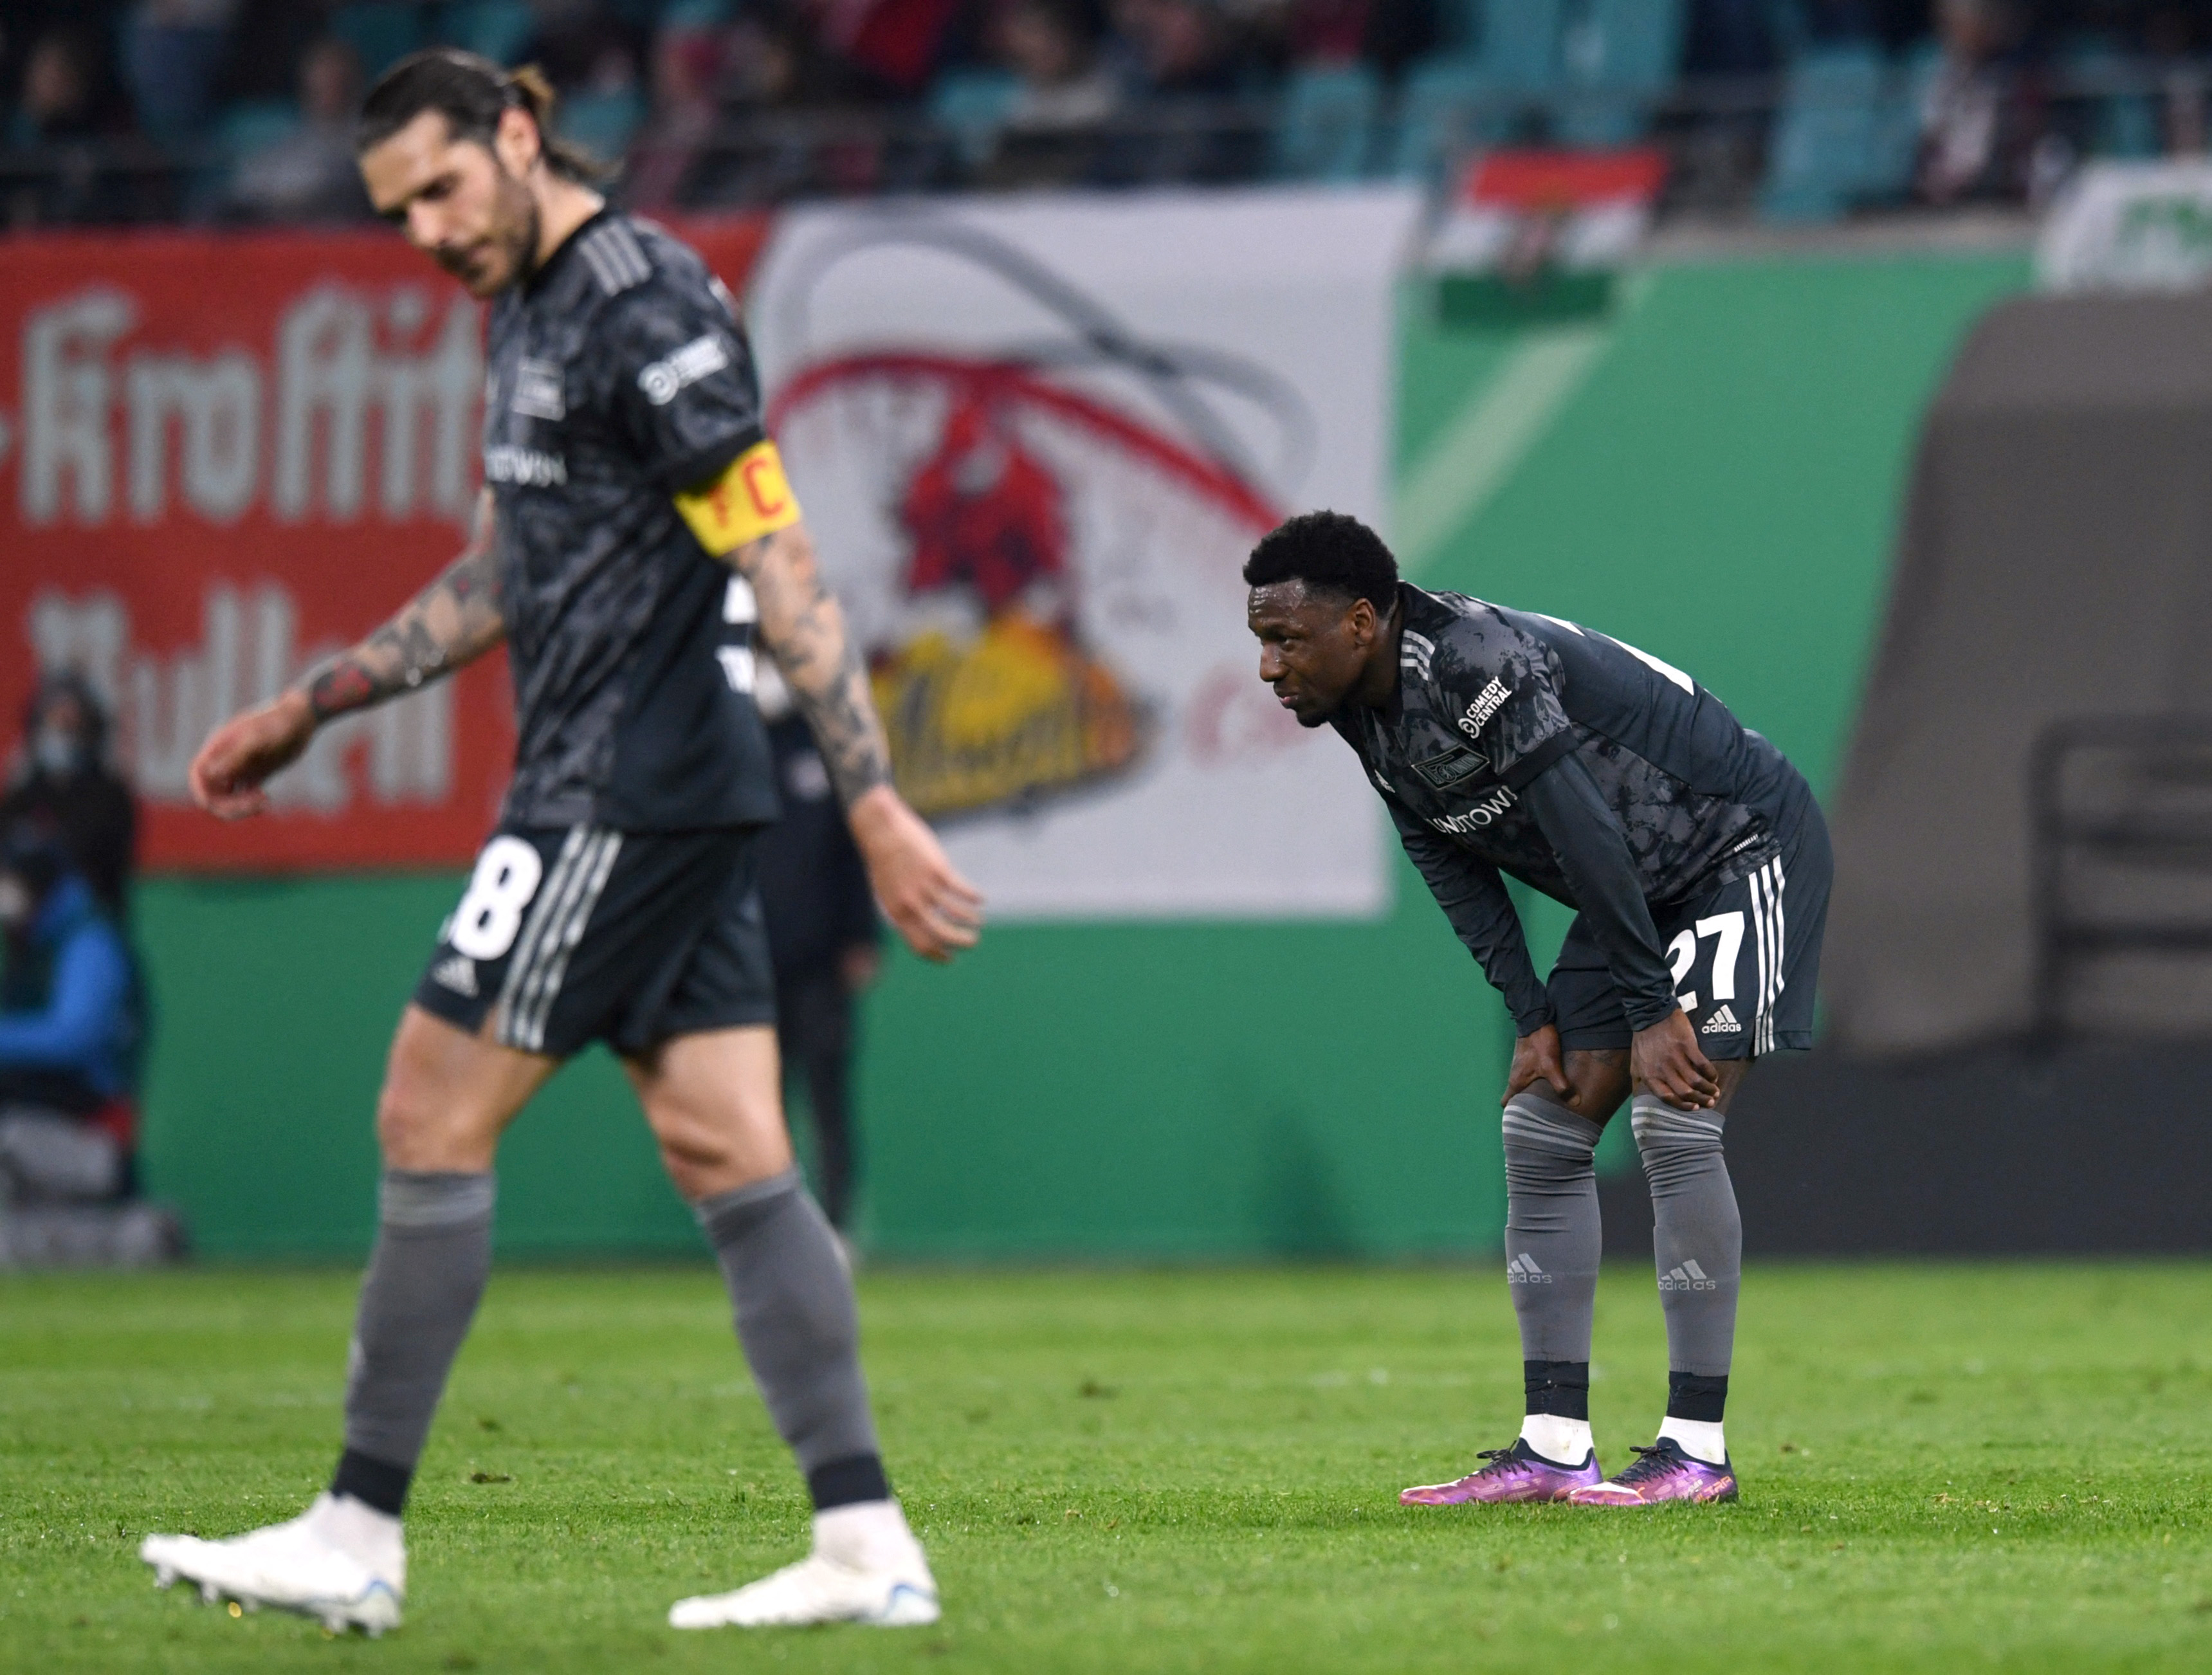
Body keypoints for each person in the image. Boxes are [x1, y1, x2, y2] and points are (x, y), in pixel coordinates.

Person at [139, 48, 983, 1636]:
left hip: (622, 791)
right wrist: (320, 702)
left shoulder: (643, 307)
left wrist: (870, 795)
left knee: (426, 1104)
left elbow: (775, 550)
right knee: (732, 1150)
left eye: (445, 188)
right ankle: (865, 1539)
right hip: (650, 788)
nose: (429, 232)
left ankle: (356, 1528)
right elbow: (505, 566)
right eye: (398, 213)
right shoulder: (519, 301)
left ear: (519, 135)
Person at [1243, 511, 1831, 1508]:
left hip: (1737, 846)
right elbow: (1443, 850)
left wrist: (1650, 1011)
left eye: (1284, 639)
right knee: (1540, 1128)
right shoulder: (1355, 705)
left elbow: (1581, 827)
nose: (1267, 667)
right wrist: (1530, 1013)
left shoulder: (1477, 660)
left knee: (1671, 1116)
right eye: (1260, 639)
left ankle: (1695, 1450)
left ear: (1357, 622)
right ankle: (1553, 1444)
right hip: (1631, 885)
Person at [755, 664, 882, 1236]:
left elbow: (853, 854)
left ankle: (837, 1225)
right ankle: (772, 1229)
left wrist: (860, 937)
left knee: (829, 1100)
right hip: (749, 962)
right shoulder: (725, 746)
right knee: (756, 1107)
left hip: (820, 962)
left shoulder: (823, 747)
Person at [0, 825, 142, 1205]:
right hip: (38, 1123)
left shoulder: (87, 938)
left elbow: (74, 1037)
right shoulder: (30, 944)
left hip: (92, 1135)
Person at [1, 673, 138, 920]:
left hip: (89, 923)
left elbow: (98, 857)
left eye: (73, 725)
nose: (63, 735)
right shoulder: (23, 796)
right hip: (31, 939)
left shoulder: (109, 796)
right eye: (55, 723)